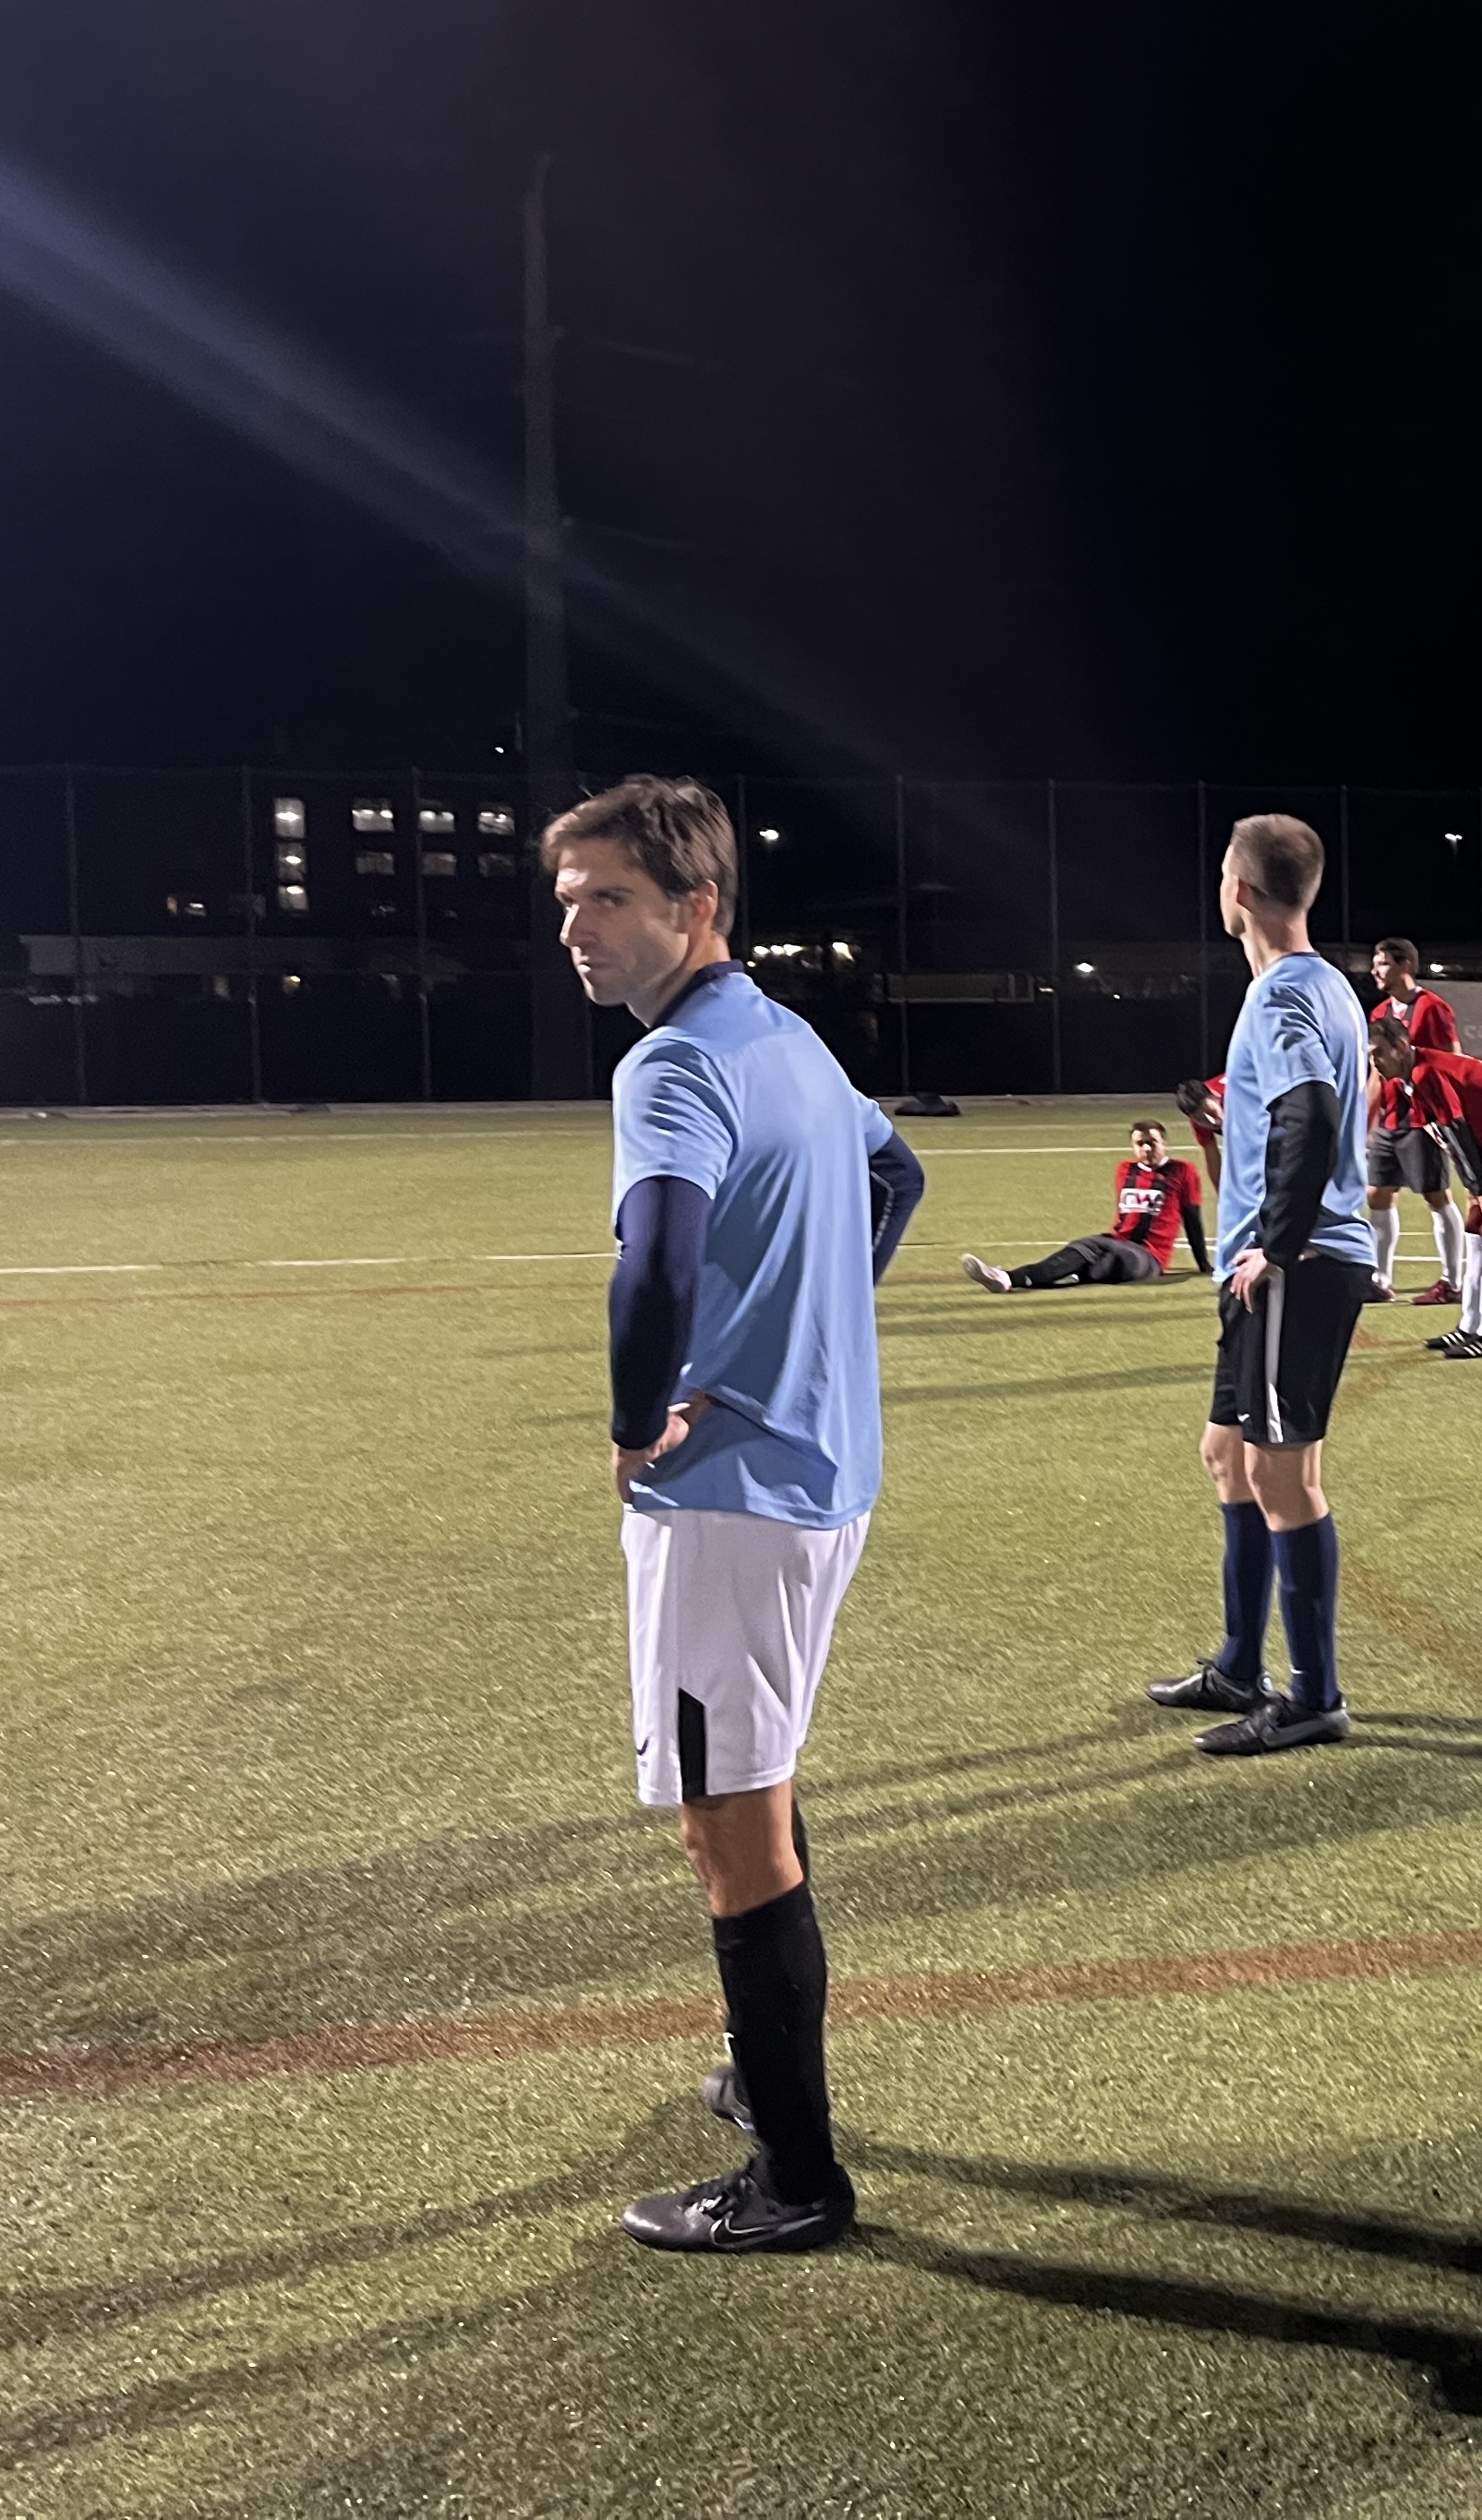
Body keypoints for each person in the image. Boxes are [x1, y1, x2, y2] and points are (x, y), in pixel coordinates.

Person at [548, 775, 923, 2254]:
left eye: (610, 898)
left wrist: (638, 1422)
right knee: (753, 1785)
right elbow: (896, 1171)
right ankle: (769, 2075)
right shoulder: (788, 1036)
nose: (577, 927)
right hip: (818, 1477)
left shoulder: (674, 1066)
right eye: (568, 900)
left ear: (696, 906)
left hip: (730, 1503)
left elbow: (653, 1268)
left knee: (729, 1827)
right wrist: (807, 1329)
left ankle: (798, 2179)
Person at [1142, 814, 1383, 1754]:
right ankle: (1240, 1665)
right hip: (1280, 1268)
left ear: (1238, 891)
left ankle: (1316, 1697)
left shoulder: (1282, 994)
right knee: (1227, 1456)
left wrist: (1276, 1248)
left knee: (1286, 1476)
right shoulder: (1327, 984)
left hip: (1297, 1269)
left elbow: (1310, 1112)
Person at [1367, 1018, 1482, 1358]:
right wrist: (1473, 1184)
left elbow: (1456, 1129)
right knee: (1474, 1230)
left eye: (1379, 1053)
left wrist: (1479, 1187)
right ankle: (1469, 1326)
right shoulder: (1410, 1079)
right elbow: (1443, 1133)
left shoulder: (1425, 1073)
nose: (1374, 1062)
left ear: (1402, 1047)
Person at [960, 1120, 1210, 1290]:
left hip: (1149, 1257)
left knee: (1096, 1251)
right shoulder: (1125, 1169)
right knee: (1096, 1263)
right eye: (1140, 1143)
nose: (1146, 1148)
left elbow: (1192, 1218)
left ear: (1164, 1142)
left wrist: (1203, 1265)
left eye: (1152, 1142)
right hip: (1116, 1244)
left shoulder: (1182, 1170)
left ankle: (1016, 1277)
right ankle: (1008, 1279)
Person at [1364, 938, 1465, 1307]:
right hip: (1389, 1120)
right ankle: (1380, 1280)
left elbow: (1454, 1063)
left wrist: (1450, 1119)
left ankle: (1453, 1281)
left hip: (1423, 1119)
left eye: (1382, 963)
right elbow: (1375, 1072)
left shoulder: (1433, 1008)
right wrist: (1368, 1123)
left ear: (1405, 965)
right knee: (1377, 1194)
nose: (1375, 970)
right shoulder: (1379, 1013)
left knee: (1436, 1196)